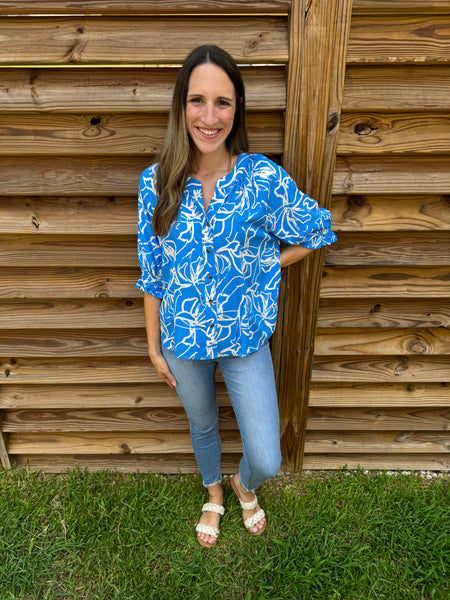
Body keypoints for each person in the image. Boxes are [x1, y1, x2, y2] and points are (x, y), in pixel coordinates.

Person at [136, 45, 336, 548]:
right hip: (182, 338)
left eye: (223, 102)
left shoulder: (260, 177)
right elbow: (153, 272)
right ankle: (214, 492)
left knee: (268, 454)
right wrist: (153, 346)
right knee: (202, 424)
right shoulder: (156, 182)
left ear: (237, 108)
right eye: (197, 100)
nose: (209, 117)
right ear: (181, 105)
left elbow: (315, 229)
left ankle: (244, 483)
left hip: (245, 335)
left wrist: (266, 262)